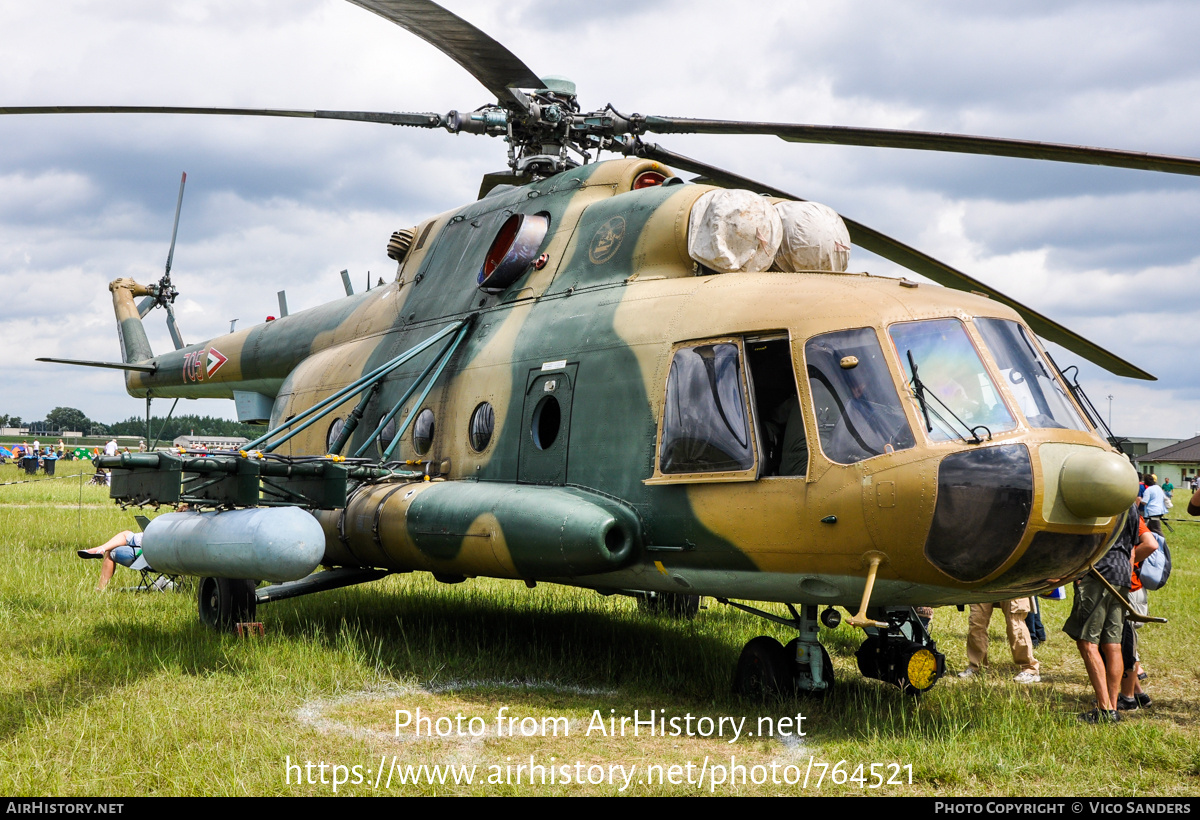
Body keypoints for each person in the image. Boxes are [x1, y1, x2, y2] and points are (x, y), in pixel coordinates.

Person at [1063, 504, 1157, 723]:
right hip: (1123, 575)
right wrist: (1124, 570)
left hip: (1098, 574)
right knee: (1112, 643)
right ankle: (1112, 707)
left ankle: (1105, 709)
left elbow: (1086, 541)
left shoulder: (1100, 497)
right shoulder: (1130, 505)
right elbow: (1134, 547)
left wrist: (1074, 572)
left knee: (1087, 642)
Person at [958, 598, 1041, 683]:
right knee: (976, 622)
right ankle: (976, 667)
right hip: (981, 585)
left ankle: (1030, 669)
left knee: (1015, 624)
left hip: (1011, 587)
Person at [77, 530, 145, 592]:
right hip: (151, 556)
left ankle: (100, 589)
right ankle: (101, 549)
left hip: (149, 559)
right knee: (124, 536)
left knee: (114, 548)